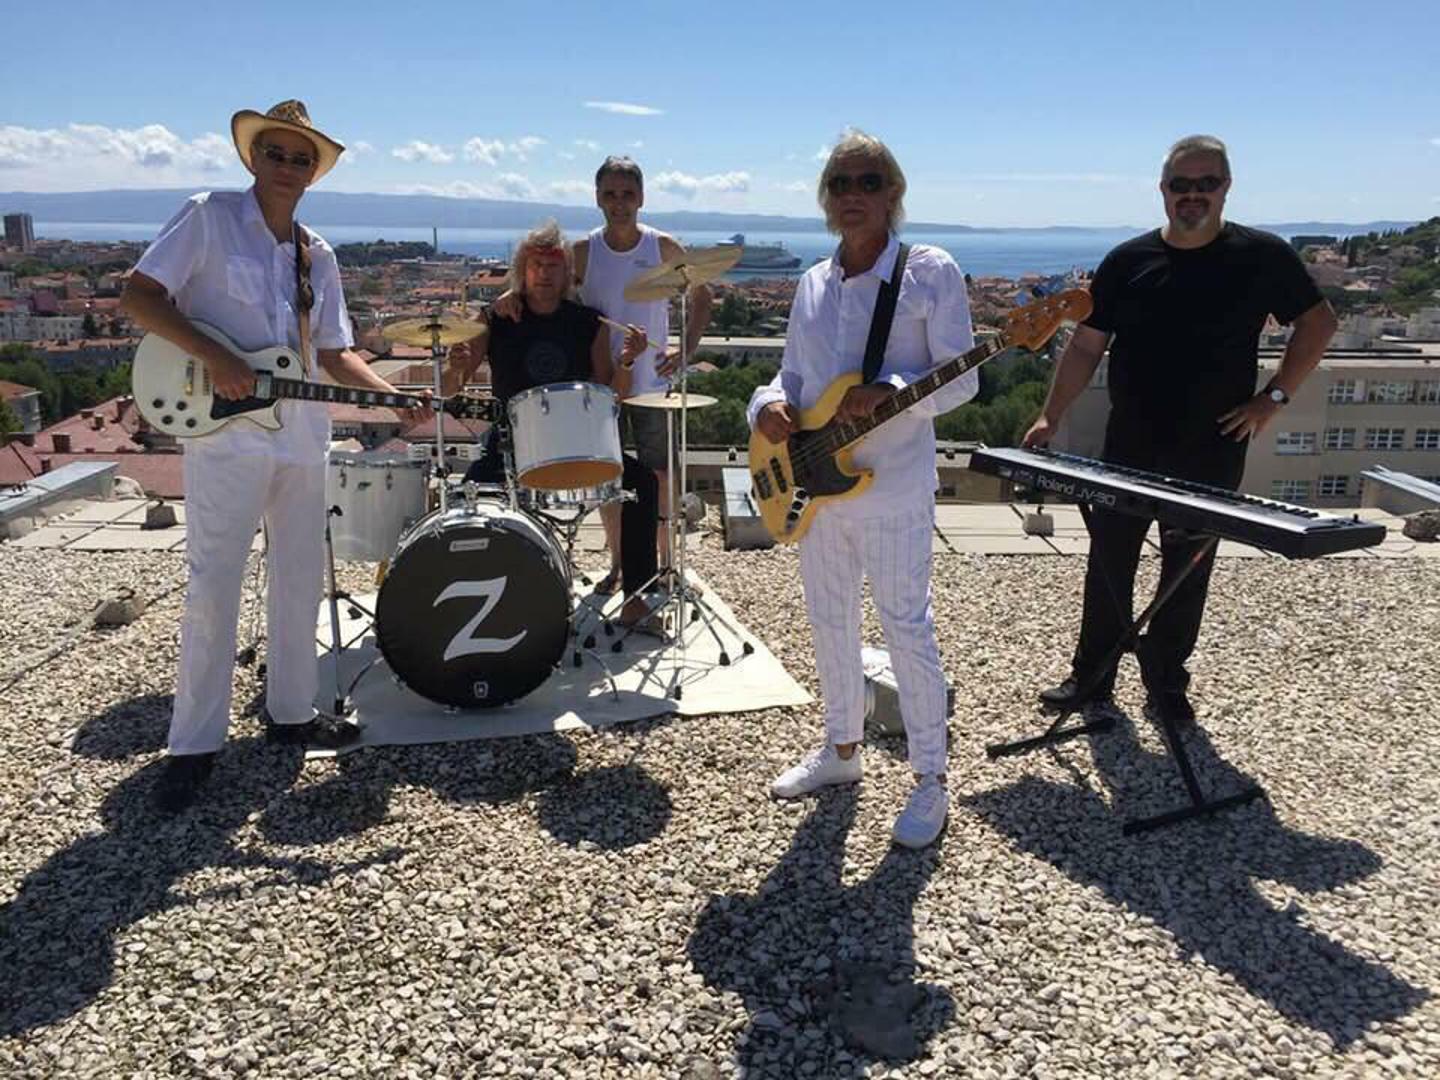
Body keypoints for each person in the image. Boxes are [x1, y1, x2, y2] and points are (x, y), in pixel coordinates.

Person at [120, 100, 431, 812]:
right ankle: (193, 745)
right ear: (253, 157)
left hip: (300, 430)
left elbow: (332, 353)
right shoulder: (208, 216)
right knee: (214, 581)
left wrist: (392, 397)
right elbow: (140, 297)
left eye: (300, 158)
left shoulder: (316, 254)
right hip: (224, 433)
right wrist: (216, 357)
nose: (287, 166)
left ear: (313, 172)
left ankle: (290, 712)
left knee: (298, 577)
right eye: (276, 153)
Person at [1024, 134, 1337, 730]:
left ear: (1226, 187)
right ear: (1163, 190)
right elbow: (1087, 345)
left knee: (1185, 570)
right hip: (1129, 440)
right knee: (1109, 562)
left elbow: (1319, 324)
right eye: (1180, 184)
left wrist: (1272, 398)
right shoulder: (1127, 261)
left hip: (1213, 443)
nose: (1192, 195)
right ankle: (1091, 677)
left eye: (1205, 183)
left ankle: (1166, 684)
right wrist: (1050, 415)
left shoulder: (1262, 255)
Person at [747, 132, 978, 849]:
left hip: (894, 488)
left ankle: (931, 778)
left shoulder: (929, 271)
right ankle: (841, 750)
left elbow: (964, 380)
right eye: (841, 182)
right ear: (827, 196)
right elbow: (790, 376)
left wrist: (894, 388)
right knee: (828, 621)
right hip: (817, 490)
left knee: (906, 626)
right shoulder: (813, 283)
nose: (853, 194)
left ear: (893, 192)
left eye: (869, 181)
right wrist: (766, 405)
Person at [493, 156, 712, 591]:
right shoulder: (583, 252)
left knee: (660, 477)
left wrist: (685, 350)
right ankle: (619, 566)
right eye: (610, 194)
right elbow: (543, 286)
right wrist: (507, 295)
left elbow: (703, 295)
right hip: (599, 387)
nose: (619, 203)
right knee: (608, 479)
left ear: (641, 197)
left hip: (652, 385)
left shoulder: (663, 247)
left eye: (627, 194)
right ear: (597, 198)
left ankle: (666, 566)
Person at [445, 221, 660, 628]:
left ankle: (636, 599)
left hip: (577, 444)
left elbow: (611, 395)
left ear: (567, 274)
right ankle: (470, 606)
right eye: (536, 265)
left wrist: (628, 361)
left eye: (553, 266)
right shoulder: (495, 318)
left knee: (642, 483)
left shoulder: (589, 322)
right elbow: (452, 385)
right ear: (522, 271)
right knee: (465, 504)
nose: (544, 273)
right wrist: (455, 367)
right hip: (509, 446)